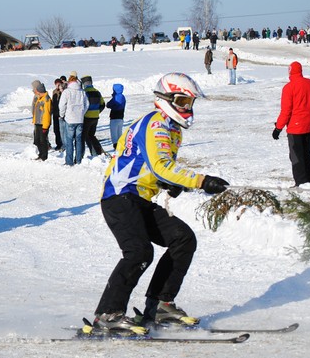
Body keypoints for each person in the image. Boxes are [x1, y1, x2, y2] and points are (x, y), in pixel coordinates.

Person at [93, 73, 229, 334]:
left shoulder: (170, 126)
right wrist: (201, 181)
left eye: (189, 103)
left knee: (183, 238)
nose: (186, 108)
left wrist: (169, 184)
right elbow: (161, 166)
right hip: (120, 197)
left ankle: (160, 305)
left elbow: (146, 165)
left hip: (139, 197)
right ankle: (107, 314)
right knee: (139, 252)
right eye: (181, 101)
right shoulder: (156, 124)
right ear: (165, 99)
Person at [272, 62, 310, 186]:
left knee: (297, 155)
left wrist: (278, 128)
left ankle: (301, 181)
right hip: (309, 124)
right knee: (307, 153)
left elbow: (286, 110)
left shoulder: (289, 87)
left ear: (290, 71)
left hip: (295, 127)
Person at [58, 71, 88, 165]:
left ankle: (69, 161)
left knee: (69, 140)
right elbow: (87, 104)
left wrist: (62, 115)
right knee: (78, 140)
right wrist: (82, 113)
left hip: (70, 119)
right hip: (80, 119)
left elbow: (62, 105)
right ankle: (78, 160)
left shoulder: (67, 92)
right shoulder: (82, 92)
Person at [81, 75, 106, 157]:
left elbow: (82, 105)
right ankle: (98, 150)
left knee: (84, 136)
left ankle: (92, 152)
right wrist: (97, 112)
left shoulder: (84, 92)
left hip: (87, 117)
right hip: (95, 117)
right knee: (91, 135)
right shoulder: (97, 92)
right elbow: (102, 104)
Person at [31, 80, 51, 161]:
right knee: (38, 140)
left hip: (43, 123)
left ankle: (44, 156)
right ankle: (41, 155)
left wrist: (45, 126)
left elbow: (47, 114)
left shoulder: (46, 99)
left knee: (43, 141)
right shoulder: (40, 98)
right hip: (38, 122)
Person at [106, 84, 126, 148]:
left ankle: (115, 146)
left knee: (114, 134)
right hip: (121, 117)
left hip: (114, 117)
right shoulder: (123, 97)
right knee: (119, 132)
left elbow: (108, 105)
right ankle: (121, 146)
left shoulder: (115, 97)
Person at [51, 78, 65, 151]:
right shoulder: (54, 92)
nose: (58, 86)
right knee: (56, 130)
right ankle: (58, 144)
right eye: (56, 84)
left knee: (62, 130)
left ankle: (63, 144)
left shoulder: (63, 92)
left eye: (59, 84)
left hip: (61, 114)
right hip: (55, 113)